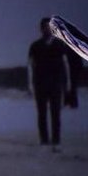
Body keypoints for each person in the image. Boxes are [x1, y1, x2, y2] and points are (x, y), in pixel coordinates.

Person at [27, 18, 70, 151]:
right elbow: (30, 67)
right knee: (42, 113)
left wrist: (67, 84)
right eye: (45, 27)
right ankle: (44, 140)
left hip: (55, 84)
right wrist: (30, 85)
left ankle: (56, 140)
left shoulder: (59, 45)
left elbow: (65, 66)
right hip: (40, 84)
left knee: (55, 113)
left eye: (50, 27)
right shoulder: (35, 46)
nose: (47, 30)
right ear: (41, 29)